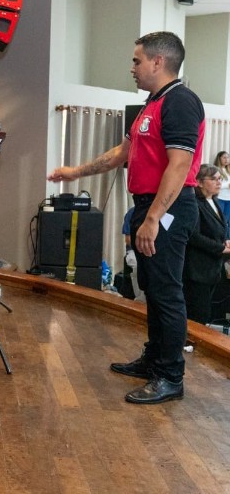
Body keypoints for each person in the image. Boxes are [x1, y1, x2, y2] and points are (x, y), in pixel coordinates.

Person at [48, 31, 204, 405]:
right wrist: (75, 173)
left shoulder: (181, 102)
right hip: (148, 205)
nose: (132, 68)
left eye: (137, 60)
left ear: (158, 62)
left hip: (168, 208)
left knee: (167, 292)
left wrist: (152, 219)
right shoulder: (153, 103)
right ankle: (154, 360)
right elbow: (123, 152)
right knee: (152, 287)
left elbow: (180, 165)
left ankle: (170, 376)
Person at [183, 164, 230, 324]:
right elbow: (194, 236)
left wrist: (225, 241)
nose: (219, 183)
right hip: (198, 268)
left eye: (220, 179)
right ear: (200, 182)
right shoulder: (195, 203)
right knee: (198, 314)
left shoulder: (214, 202)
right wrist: (221, 247)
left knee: (205, 313)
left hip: (212, 268)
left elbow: (215, 230)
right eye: (214, 179)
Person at [213, 150, 230, 238]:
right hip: (220, 198)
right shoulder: (216, 170)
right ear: (219, 159)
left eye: (228, 157)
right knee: (220, 220)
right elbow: (216, 184)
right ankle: (221, 239)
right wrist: (227, 185)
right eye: (224, 157)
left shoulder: (228, 170)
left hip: (228, 199)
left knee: (227, 221)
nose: (226, 159)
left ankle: (227, 239)